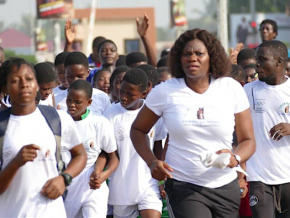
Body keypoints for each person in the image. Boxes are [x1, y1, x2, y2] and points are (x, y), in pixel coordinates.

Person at [130, 28, 256, 218]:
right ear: (179, 58)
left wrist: (235, 158)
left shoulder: (231, 88)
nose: (192, 58)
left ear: (212, 57)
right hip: (184, 186)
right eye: (186, 54)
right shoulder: (165, 91)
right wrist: (152, 161)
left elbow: (248, 141)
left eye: (199, 53)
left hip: (225, 186)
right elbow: (138, 130)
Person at [0, 58, 87, 217]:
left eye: (29, 79)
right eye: (15, 80)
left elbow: (80, 154)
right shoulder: (2, 125)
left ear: (37, 85)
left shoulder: (57, 119)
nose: (24, 84)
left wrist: (64, 178)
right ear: (4, 88)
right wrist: (15, 163)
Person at [104, 68, 166, 218]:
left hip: (148, 184)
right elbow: (107, 152)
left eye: (130, 94)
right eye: (122, 91)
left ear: (143, 94)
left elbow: (158, 147)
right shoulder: (111, 114)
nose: (123, 97)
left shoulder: (153, 112)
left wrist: (162, 179)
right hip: (121, 186)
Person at [244, 40, 290, 218]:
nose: (257, 64)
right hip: (259, 177)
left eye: (262, 59)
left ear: (279, 61)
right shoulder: (248, 91)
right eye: (257, 59)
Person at [64, 79, 119, 218]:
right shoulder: (60, 122)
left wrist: (102, 175)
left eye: (77, 102)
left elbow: (111, 156)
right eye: (69, 100)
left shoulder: (99, 123)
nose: (71, 105)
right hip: (67, 188)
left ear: (89, 102)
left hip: (92, 188)